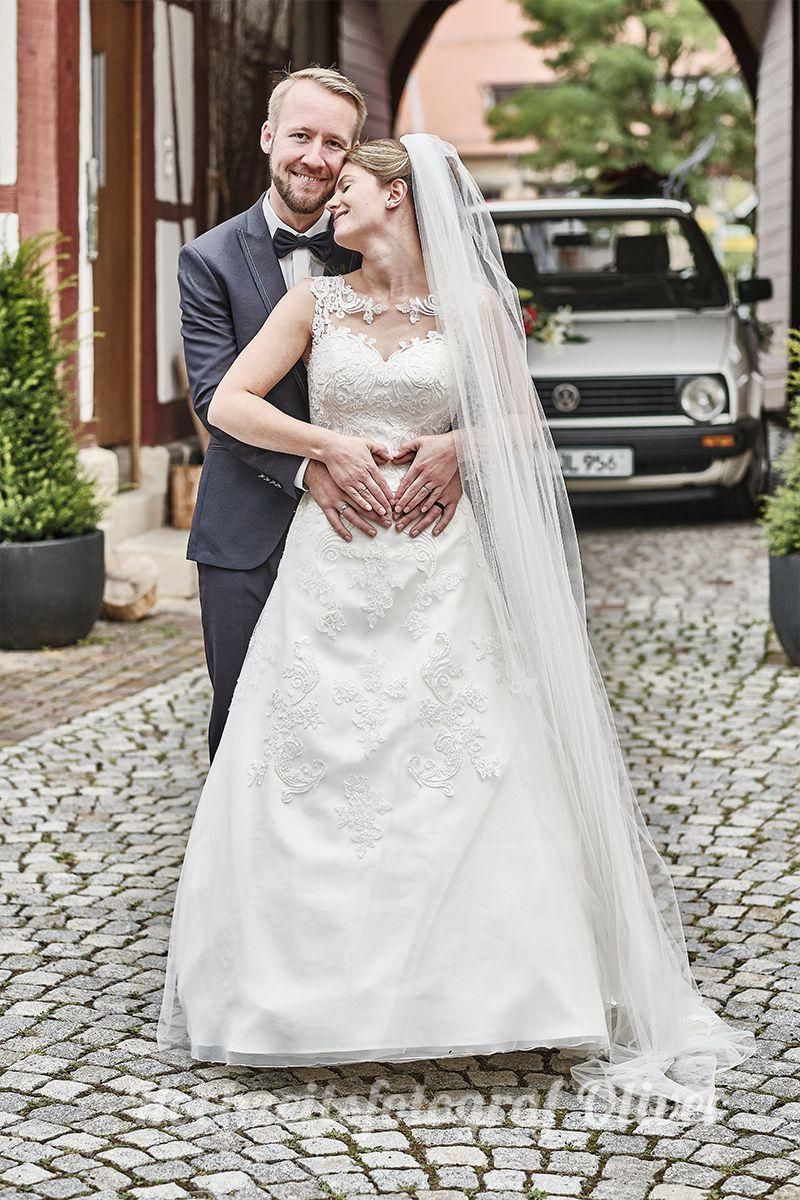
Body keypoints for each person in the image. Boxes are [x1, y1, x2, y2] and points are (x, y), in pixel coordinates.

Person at [158, 134, 756, 1116]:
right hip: (334, 568)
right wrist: (324, 448)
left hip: (440, 568)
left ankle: (491, 992)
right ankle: (297, 1001)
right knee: (312, 767)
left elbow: (519, 421)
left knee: (462, 760)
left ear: (394, 197)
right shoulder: (314, 301)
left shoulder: (471, 309)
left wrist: (454, 442)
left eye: (345, 188)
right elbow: (230, 401)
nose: (328, 202)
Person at [179, 67, 462, 760]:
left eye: (334, 143)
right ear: (270, 137)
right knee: (246, 722)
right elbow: (218, 397)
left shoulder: (373, 238)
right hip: (248, 524)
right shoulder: (207, 259)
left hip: (385, 532)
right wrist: (317, 461)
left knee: (385, 725)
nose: (315, 157)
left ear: (355, 157)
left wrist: (461, 444)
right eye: (300, 135)